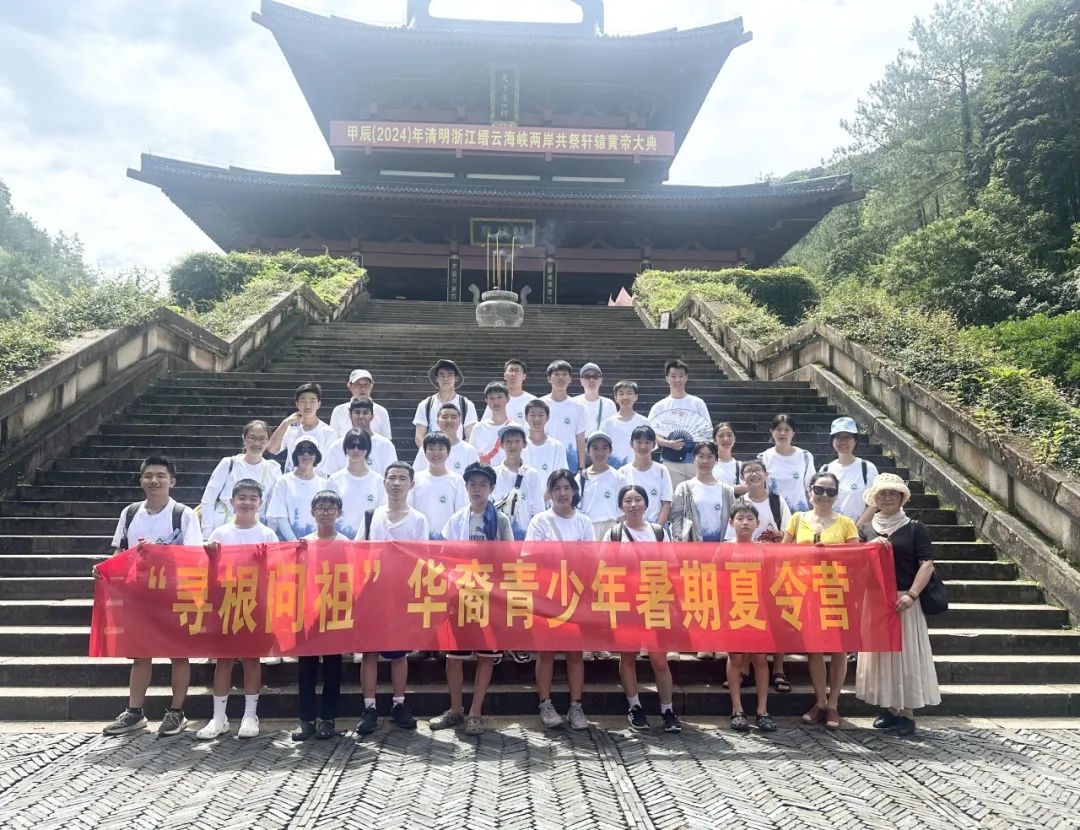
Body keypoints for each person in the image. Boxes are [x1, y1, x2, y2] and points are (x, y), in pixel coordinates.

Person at [98, 455, 202, 737]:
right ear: (141, 480)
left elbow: (194, 556)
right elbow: (119, 551)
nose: (154, 481)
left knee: (178, 655)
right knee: (140, 654)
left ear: (172, 481)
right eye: (148, 476)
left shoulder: (183, 514)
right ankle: (135, 712)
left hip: (174, 595)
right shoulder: (130, 513)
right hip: (138, 595)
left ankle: (177, 712)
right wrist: (106, 569)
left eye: (161, 476)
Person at [430, 463, 512, 736]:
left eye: (483, 485)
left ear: (491, 488)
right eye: (473, 484)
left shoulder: (501, 520)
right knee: (454, 656)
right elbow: (446, 555)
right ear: (465, 487)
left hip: (490, 594)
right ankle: (456, 710)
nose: (477, 489)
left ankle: (475, 712)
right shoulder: (456, 520)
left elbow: (509, 556)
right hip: (461, 593)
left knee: (485, 656)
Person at [856, 473, 940, 736]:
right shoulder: (866, 529)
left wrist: (911, 595)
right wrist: (870, 547)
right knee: (880, 656)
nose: (888, 497)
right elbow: (856, 564)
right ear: (875, 498)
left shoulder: (915, 528)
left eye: (893, 493)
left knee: (907, 655)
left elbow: (926, 564)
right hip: (875, 601)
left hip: (904, 599)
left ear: (902, 497)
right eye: (882, 493)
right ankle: (888, 708)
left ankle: (907, 712)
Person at [197, 478, 279, 740]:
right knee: (224, 660)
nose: (247, 502)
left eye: (253, 498)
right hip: (226, 602)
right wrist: (211, 556)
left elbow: (278, 570)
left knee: (252, 659)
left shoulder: (267, 534)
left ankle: (250, 716)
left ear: (260, 503)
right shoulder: (220, 533)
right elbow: (206, 571)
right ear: (231, 501)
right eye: (242, 497)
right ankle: (218, 718)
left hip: (256, 603)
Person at [784, 471, 860, 731]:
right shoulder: (798, 519)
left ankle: (834, 703)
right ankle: (820, 701)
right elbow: (782, 553)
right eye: (819, 489)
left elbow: (856, 558)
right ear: (810, 491)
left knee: (839, 649)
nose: (824, 495)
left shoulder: (846, 523)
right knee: (813, 648)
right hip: (806, 590)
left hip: (836, 590)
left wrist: (830, 554)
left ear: (836, 495)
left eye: (830, 491)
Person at [355, 461, 426, 736]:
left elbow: (422, 557)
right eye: (392, 477)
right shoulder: (371, 516)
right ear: (384, 482)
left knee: (399, 654)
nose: (396, 483)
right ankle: (369, 707)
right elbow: (357, 552)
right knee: (369, 653)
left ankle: (399, 704)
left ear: (411, 484)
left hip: (401, 594)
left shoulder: (418, 519)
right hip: (372, 593)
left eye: (402, 478)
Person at [608, 485, 681, 733]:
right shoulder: (614, 533)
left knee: (659, 660)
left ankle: (668, 709)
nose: (633, 505)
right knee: (627, 656)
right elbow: (603, 566)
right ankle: (635, 707)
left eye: (638, 499)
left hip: (656, 601)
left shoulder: (658, 532)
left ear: (646, 504)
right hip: (626, 603)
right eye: (627, 500)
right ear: (621, 505)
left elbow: (672, 566)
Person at [525, 469, 594, 730]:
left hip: (576, 595)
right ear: (550, 492)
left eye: (567, 488)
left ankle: (576, 705)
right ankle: (545, 703)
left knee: (575, 653)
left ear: (574, 491)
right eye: (557, 488)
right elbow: (530, 557)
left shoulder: (584, 522)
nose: (562, 493)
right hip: (547, 596)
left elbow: (591, 559)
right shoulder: (540, 521)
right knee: (546, 652)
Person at [725, 458, 791, 687]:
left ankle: (779, 669)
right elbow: (729, 538)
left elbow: (788, 534)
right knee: (748, 616)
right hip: (744, 570)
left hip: (775, 568)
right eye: (748, 471)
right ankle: (744, 669)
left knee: (777, 619)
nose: (753, 474)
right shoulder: (739, 503)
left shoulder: (777, 501)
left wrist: (774, 542)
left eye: (757, 470)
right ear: (742, 477)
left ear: (766, 474)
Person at [293, 490, 348, 741]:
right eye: (321, 508)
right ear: (312, 513)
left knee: (333, 670)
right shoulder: (303, 543)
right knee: (306, 670)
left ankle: (328, 719)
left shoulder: (346, 543)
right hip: (307, 614)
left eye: (330, 508)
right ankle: (306, 720)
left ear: (339, 512)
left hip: (335, 613)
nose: (325, 513)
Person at [725, 501, 777, 733]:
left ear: (757, 523)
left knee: (760, 659)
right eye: (740, 518)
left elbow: (772, 581)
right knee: (735, 659)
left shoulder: (763, 550)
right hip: (733, 611)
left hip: (759, 611)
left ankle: (762, 710)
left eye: (749, 518)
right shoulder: (724, 549)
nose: (745, 522)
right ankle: (737, 710)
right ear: (731, 522)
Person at [198, 419, 282, 540]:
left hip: (255, 530)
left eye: (262, 438)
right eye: (252, 437)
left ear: (268, 441)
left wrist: (269, 534)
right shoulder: (229, 464)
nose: (256, 443)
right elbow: (208, 499)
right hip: (223, 525)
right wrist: (206, 534)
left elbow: (273, 505)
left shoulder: (273, 469)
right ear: (244, 439)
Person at [648, 359, 711, 487]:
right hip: (670, 461)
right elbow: (651, 434)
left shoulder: (697, 403)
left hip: (695, 460)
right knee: (673, 496)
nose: (677, 380)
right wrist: (667, 443)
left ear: (686, 377)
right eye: (673, 376)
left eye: (681, 376)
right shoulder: (659, 406)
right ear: (667, 378)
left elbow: (707, 431)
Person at [670, 440, 737, 542]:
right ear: (694, 459)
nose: (705, 461)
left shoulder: (726, 490)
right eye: (701, 456)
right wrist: (677, 539)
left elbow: (734, 518)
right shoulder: (684, 488)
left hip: (721, 546)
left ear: (716, 460)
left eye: (710, 457)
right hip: (692, 545)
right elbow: (676, 516)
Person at [327, 429, 386, 539]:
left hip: (369, 538)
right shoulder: (334, 480)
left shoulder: (378, 480)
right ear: (345, 448)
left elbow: (382, 513)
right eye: (351, 446)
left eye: (360, 446)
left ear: (367, 449)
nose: (356, 450)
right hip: (340, 539)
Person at [266, 437, 328, 541]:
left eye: (310, 451)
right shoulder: (284, 481)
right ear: (295, 455)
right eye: (301, 451)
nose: (306, 454)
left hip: (316, 543)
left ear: (317, 454)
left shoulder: (324, 484)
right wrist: (293, 541)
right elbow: (279, 515)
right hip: (287, 544)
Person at [819, 416, 878, 524]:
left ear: (855, 440)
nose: (843, 441)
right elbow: (819, 502)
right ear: (832, 441)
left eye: (848, 437)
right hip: (829, 528)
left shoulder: (867, 468)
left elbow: (874, 503)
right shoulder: (825, 469)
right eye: (838, 437)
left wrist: (856, 529)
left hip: (858, 530)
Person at [268, 382, 337, 473]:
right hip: (291, 478)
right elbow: (272, 449)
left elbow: (331, 463)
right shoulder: (290, 427)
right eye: (303, 401)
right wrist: (285, 423)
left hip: (318, 479)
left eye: (312, 401)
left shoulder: (328, 432)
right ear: (297, 404)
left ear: (318, 404)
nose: (308, 406)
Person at [408, 432, 467, 538]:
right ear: (424, 452)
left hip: (448, 540)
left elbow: (461, 514)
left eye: (440, 449)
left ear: (448, 452)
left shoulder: (457, 480)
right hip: (420, 539)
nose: (436, 453)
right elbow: (410, 511)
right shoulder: (415, 479)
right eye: (431, 449)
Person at [492, 424, 545, 541]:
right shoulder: (494, 474)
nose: (513, 445)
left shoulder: (532, 474)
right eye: (508, 441)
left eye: (517, 441)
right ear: (501, 444)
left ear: (524, 444)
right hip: (499, 539)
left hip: (526, 538)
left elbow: (538, 511)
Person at [322, 397, 398, 476]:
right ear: (350, 416)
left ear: (372, 416)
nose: (361, 416)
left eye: (365, 413)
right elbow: (330, 476)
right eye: (357, 412)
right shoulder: (337, 445)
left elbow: (391, 475)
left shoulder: (385, 445)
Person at [413, 358, 477, 446]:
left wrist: (458, 451)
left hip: (459, 452)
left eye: (449, 375)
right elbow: (419, 437)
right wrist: (432, 452)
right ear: (436, 379)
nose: (446, 378)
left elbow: (470, 436)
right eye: (442, 375)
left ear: (456, 378)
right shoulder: (425, 404)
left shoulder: (467, 405)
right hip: (433, 452)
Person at [759, 414, 815, 513]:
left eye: (787, 429)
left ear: (793, 433)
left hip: (799, 514)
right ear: (771, 432)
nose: (782, 433)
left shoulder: (805, 457)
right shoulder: (763, 458)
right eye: (778, 429)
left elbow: (810, 488)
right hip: (772, 513)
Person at [618, 425, 672, 526]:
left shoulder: (662, 470)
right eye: (639, 442)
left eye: (647, 442)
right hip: (630, 527)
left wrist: (657, 529)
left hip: (656, 526)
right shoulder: (622, 472)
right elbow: (619, 506)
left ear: (654, 444)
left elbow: (666, 503)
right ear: (631, 444)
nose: (643, 446)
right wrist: (628, 529)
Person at [541, 360, 588, 473]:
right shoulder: (540, 404)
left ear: (570, 379)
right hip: (545, 459)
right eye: (556, 374)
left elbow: (580, 438)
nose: (560, 378)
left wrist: (582, 466)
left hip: (570, 461)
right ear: (549, 379)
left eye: (564, 374)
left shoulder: (578, 406)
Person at [577, 431, 624, 541]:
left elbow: (622, 512)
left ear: (610, 451)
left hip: (611, 528)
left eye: (604, 448)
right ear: (588, 450)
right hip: (588, 528)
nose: (600, 453)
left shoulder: (618, 477)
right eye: (595, 448)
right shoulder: (581, 478)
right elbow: (576, 509)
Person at [413, 403, 480, 474]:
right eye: (445, 417)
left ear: (460, 422)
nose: (449, 421)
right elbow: (416, 475)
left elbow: (475, 476)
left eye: (453, 417)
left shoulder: (469, 450)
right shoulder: (426, 449)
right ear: (437, 422)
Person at [329, 369, 392, 440]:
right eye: (358, 384)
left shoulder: (382, 412)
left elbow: (386, 441)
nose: (362, 388)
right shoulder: (338, 411)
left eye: (366, 385)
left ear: (371, 386)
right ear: (349, 386)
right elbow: (332, 440)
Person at [600, 379, 649, 469]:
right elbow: (602, 449)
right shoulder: (608, 423)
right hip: (613, 470)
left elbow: (649, 450)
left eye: (629, 393)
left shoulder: (644, 422)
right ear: (615, 397)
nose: (625, 397)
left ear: (636, 397)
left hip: (638, 470)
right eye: (621, 394)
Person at [468, 381, 516, 466]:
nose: (496, 402)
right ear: (486, 401)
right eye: (491, 398)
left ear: (507, 399)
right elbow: (471, 455)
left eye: (500, 397)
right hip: (484, 472)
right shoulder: (478, 427)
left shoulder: (515, 427)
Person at [482, 358, 536, 424]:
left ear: (524, 376)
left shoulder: (533, 401)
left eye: (517, 371)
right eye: (510, 370)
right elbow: (486, 423)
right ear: (504, 375)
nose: (513, 374)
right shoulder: (496, 400)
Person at [522, 399, 569, 475]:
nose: (537, 419)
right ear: (526, 418)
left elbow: (562, 475)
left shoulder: (557, 446)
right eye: (532, 415)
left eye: (541, 415)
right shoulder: (520, 446)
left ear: (547, 417)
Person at [572, 362, 616, 435]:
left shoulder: (609, 404)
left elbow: (613, 430)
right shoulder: (573, 403)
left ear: (601, 380)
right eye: (587, 376)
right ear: (581, 381)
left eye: (595, 376)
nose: (591, 380)